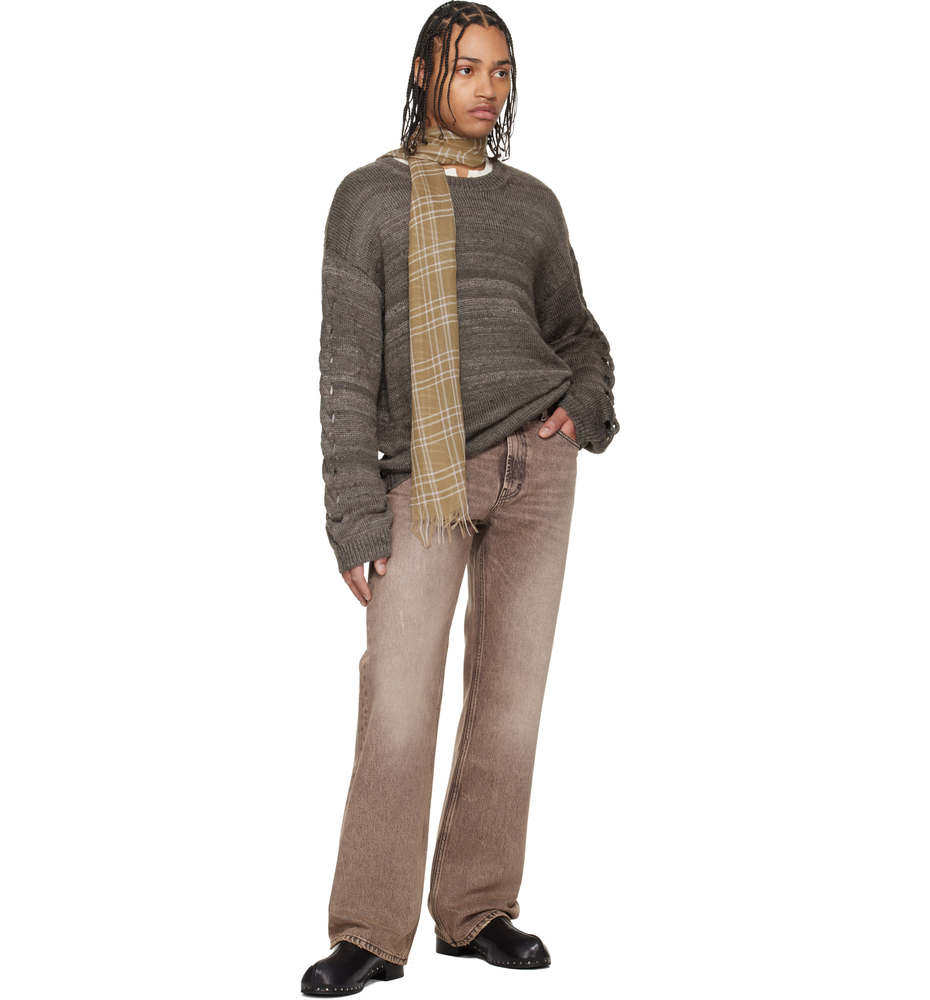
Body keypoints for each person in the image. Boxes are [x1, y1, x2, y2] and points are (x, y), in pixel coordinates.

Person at [303, 3, 619, 994]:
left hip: (537, 471)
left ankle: (477, 909)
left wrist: (580, 408)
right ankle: (370, 928)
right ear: (424, 73)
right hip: (423, 479)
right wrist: (353, 515)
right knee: (399, 703)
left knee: (510, 702)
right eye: (468, 67)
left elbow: (579, 335)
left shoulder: (533, 205)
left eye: (502, 70)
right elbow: (346, 369)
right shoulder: (367, 199)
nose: (488, 88)